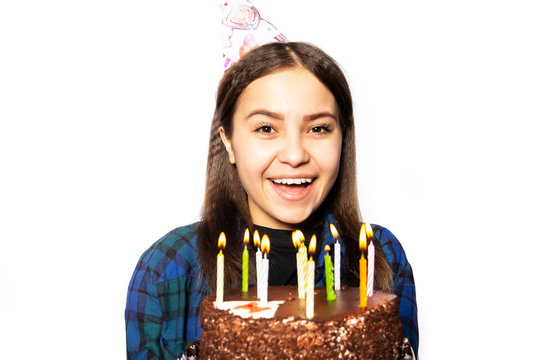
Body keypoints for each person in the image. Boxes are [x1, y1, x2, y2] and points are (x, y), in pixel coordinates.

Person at [125, 41, 418, 359]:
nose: (294, 156)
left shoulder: (381, 256)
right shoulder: (169, 268)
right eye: (266, 128)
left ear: (342, 139)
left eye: (318, 128)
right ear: (229, 142)